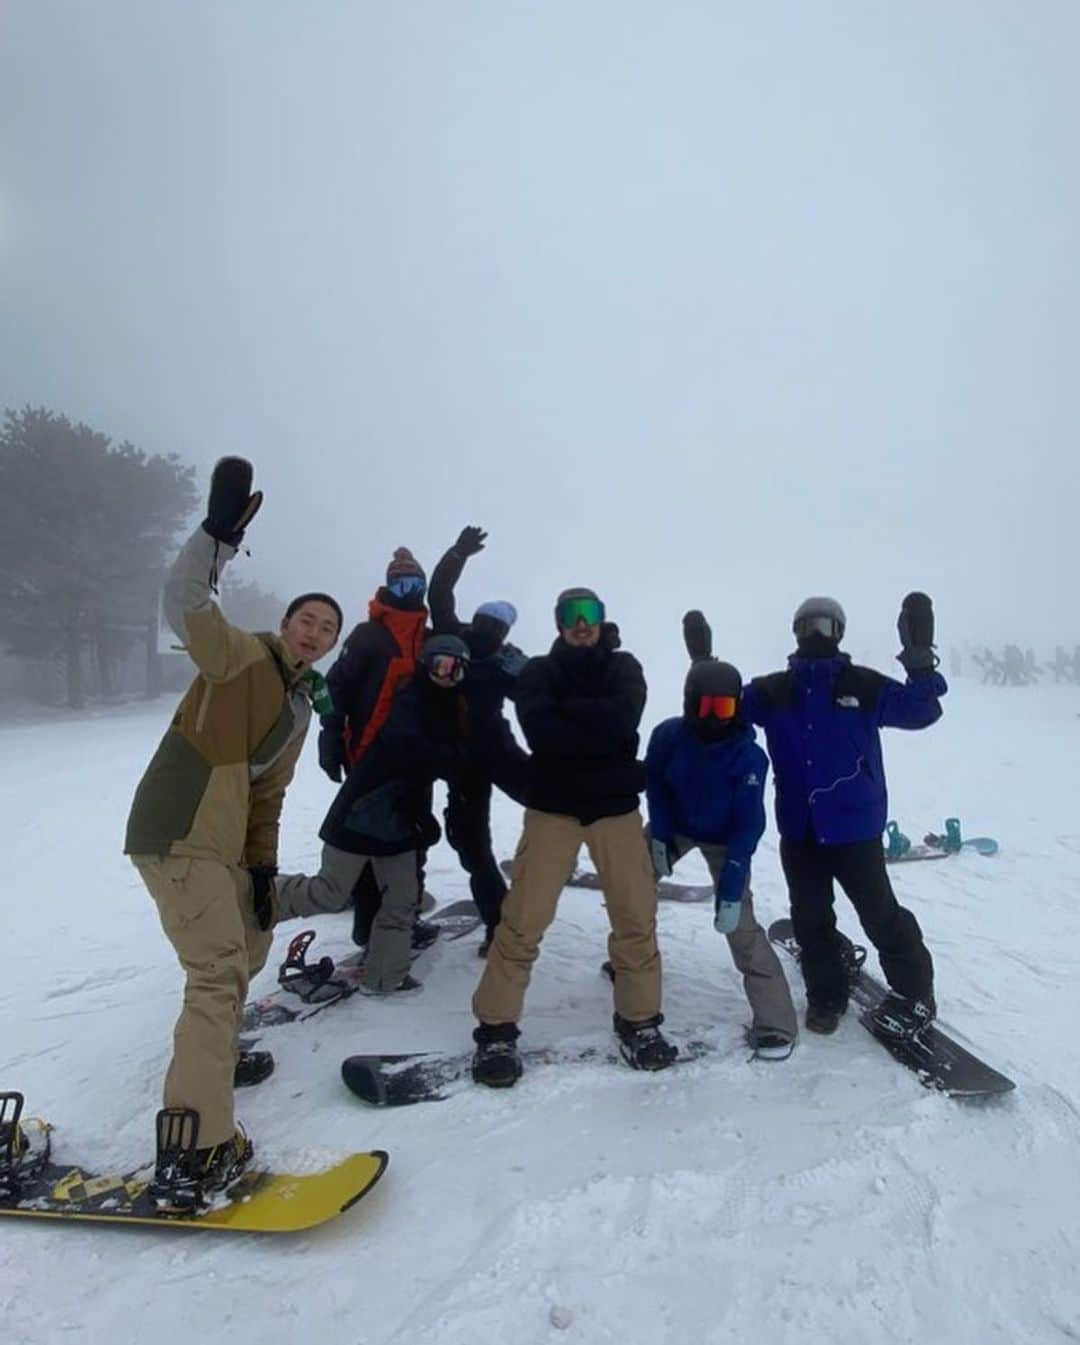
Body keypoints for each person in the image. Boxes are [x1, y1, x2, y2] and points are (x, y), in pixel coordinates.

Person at [124, 458, 342, 1210]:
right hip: (179, 831)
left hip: (222, 845)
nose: (315, 633)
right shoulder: (241, 655)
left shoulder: (299, 703)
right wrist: (216, 540)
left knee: (248, 944)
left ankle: (210, 1059)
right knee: (217, 971)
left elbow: (267, 798)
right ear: (286, 623)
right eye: (307, 620)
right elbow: (184, 600)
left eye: (328, 630)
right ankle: (196, 1148)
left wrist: (262, 872)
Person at [685, 593, 947, 1041]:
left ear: (839, 632)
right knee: (810, 918)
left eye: (825, 626)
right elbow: (721, 719)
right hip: (800, 831)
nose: (816, 634)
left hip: (855, 830)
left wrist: (920, 660)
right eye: (808, 626)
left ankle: (915, 993)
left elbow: (922, 710)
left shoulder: (862, 686)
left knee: (880, 915)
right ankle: (827, 994)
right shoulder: (773, 691)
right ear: (796, 632)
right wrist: (705, 669)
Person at [470, 587, 677, 1087]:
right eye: (571, 615)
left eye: (590, 615)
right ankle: (496, 1030)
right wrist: (594, 728)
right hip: (553, 812)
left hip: (616, 812)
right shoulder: (540, 671)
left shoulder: (624, 666)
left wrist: (574, 722)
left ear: (603, 621)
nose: (581, 623)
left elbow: (621, 720)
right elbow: (544, 733)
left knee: (635, 917)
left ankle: (639, 1021)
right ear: (559, 622)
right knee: (522, 921)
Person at [273, 635, 476, 994]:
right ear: (425, 665)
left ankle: (385, 976)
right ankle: (263, 896)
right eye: (440, 665)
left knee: (400, 901)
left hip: (398, 828)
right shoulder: (409, 699)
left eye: (456, 668)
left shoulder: (451, 709)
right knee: (330, 893)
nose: (447, 674)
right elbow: (412, 748)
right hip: (358, 818)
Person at [645, 658, 798, 1059]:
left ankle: (777, 1023)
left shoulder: (748, 756)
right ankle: (630, 965)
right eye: (706, 707)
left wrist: (731, 881)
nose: (714, 719)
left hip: (725, 840)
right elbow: (656, 787)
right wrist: (659, 836)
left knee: (741, 926)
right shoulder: (667, 736)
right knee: (631, 889)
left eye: (725, 709)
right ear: (688, 702)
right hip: (675, 825)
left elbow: (748, 822)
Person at [316, 544, 435, 948]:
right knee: (368, 841)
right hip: (368, 755)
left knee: (413, 837)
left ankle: (407, 914)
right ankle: (367, 923)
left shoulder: (427, 637)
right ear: (388, 586)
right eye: (401, 582)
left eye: (416, 582)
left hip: (415, 759)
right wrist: (330, 737)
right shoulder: (370, 636)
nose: (409, 590)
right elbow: (333, 686)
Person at [428, 525, 531, 953]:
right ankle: (497, 922)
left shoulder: (510, 662)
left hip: (495, 751)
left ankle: (572, 851)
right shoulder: (458, 638)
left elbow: (541, 699)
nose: (490, 627)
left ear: (505, 633)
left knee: (553, 799)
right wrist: (457, 554)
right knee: (474, 849)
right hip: (451, 756)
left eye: (498, 625)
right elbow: (439, 594)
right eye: (487, 619)